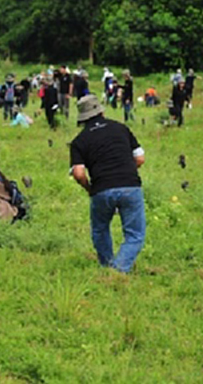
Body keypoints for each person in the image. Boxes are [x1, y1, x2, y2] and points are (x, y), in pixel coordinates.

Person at [70, 95, 146, 273]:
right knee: (135, 235)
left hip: (101, 189)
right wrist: (127, 170)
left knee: (100, 229)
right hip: (130, 185)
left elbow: (79, 173)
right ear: (101, 111)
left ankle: (108, 266)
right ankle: (119, 269)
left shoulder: (79, 141)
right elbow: (140, 158)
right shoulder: (121, 128)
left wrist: (89, 188)